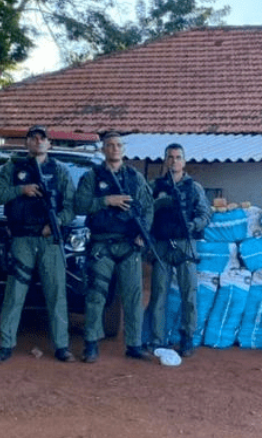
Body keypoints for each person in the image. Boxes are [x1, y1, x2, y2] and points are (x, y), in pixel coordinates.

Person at [0, 125, 77, 364]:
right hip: (21, 239)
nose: (38, 141)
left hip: (49, 240)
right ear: (27, 143)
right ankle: (5, 345)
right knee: (14, 293)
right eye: (33, 138)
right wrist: (20, 189)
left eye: (42, 138)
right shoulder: (13, 168)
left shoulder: (60, 171)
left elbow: (70, 207)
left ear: (49, 144)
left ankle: (61, 346)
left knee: (56, 293)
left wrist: (55, 223)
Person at [74, 131, 154, 363]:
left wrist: (143, 234)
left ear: (124, 149)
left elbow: (148, 208)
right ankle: (91, 344)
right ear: (103, 150)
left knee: (133, 296)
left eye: (119, 145)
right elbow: (80, 204)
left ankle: (134, 345)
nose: (115, 149)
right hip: (102, 244)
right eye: (110, 145)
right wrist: (105, 201)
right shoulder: (92, 176)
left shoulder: (134, 177)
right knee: (96, 295)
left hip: (129, 245)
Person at [146, 143, 212, 357]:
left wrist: (193, 226)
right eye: (170, 157)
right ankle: (157, 340)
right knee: (158, 295)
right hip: (162, 245)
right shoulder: (155, 186)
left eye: (178, 157)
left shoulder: (194, 188)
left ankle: (187, 338)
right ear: (165, 160)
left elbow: (205, 215)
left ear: (184, 161)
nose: (174, 161)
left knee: (189, 295)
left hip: (185, 245)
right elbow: (146, 213)